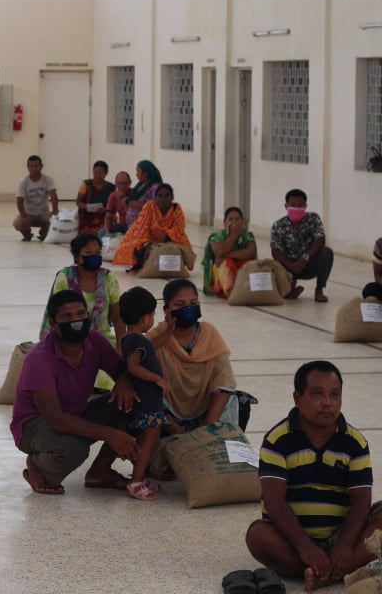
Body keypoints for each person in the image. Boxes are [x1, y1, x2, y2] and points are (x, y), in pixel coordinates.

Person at [245, 360, 382, 593]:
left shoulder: (355, 442)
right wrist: (305, 547)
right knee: (258, 536)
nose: (327, 402)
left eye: (334, 394)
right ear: (298, 399)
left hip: (343, 534)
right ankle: (337, 569)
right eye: (317, 394)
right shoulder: (277, 440)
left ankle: (326, 573)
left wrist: (345, 546)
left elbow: (361, 500)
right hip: (292, 539)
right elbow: (274, 502)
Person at [10, 290, 138, 495]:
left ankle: (99, 472)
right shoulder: (39, 359)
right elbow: (56, 420)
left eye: (81, 314)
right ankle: (37, 465)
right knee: (74, 450)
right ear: (53, 324)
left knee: (133, 401)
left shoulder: (93, 340)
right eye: (67, 317)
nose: (76, 321)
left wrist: (123, 381)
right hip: (35, 424)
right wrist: (111, 435)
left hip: (77, 413)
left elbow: (119, 369)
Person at [145, 279, 239, 431]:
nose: (188, 309)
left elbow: (224, 380)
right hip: (167, 416)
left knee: (237, 401)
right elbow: (137, 359)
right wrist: (177, 431)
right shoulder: (158, 336)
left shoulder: (209, 333)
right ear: (166, 310)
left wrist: (208, 428)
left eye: (193, 302)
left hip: (205, 413)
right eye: (180, 305)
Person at [119, 287, 169, 501]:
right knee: (149, 440)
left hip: (149, 402)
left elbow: (151, 345)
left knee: (148, 440)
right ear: (145, 317)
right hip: (148, 403)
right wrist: (157, 379)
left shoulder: (131, 339)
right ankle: (136, 482)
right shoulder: (137, 340)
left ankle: (139, 476)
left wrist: (168, 331)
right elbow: (133, 366)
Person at [39, 233, 125, 348]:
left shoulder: (108, 278)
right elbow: (57, 314)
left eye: (98, 252)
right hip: (68, 339)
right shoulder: (65, 277)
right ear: (77, 257)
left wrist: (121, 346)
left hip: (102, 340)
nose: (94, 256)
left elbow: (117, 315)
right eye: (88, 252)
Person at [270, 189, 334, 303]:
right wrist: (291, 265)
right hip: (288, 267)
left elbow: (321, 239)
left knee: (327, 253)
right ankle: (290, 287)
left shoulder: (313, 219)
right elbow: (275, 250)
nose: (297, 208)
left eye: (300, 205)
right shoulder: (279, 225)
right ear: (286, 206)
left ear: (305, 206)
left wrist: (305, 258)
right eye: (293, 205)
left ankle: (319, 290)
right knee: (274, 263)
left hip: (308, 264)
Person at [112, 183, 192, 271]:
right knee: (137, 248)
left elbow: (179, 228)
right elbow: (142, 227)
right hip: (149, 240)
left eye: (167, 196)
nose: (163, 199)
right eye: (160, 196)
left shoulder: (176, 208)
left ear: (172, 197)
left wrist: (165, 234)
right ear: (155, 197)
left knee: (181, 250)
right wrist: (148, 245)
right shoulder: (150, 206)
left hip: (171, 239)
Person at [202, 206, 258, 298]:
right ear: (225, 223)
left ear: (242, 222)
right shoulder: (216, 236)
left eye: (237, 219)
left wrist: (227, 255)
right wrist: (233, 236)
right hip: (220, 274)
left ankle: (246, 290)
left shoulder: (247, 235)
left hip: (239, 268)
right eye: (230, 219)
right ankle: (231, 292)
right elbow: (220, 252)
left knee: (249, 264)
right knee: (228, 263)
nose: (234, 222)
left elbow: (250, 253)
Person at [13, 155, 59, 242]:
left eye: (37, 166)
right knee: (17, 223)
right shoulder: (23, 182)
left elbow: (53, 195)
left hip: (43, 214)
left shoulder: (48, 180)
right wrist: (23, 216)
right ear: (28, 168)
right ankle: (27, 234)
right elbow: (19, 201)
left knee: (55, 220)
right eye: (31, 166)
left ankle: (43, 233)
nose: (34, 168)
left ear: (41, 166)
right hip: (28, 214)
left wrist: (55, 211)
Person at [76, 160, 115, 235]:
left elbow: (114, 205)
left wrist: (105, 209)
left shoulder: (111, 187)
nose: (97, 175)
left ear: (106, 173)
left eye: (100, 173)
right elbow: (78, 202)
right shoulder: (85, 184)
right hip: (87, 215)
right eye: (95, 172)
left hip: (104, 216)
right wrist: (88, 207)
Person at [124, 159, 163, 228]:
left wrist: (137, 205)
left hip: (145, 226)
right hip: (133, 226)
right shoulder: (140, 184)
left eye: (138, 171)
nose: (136, 174)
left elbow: (156, 206)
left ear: (146, 173)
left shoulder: (154, 187)